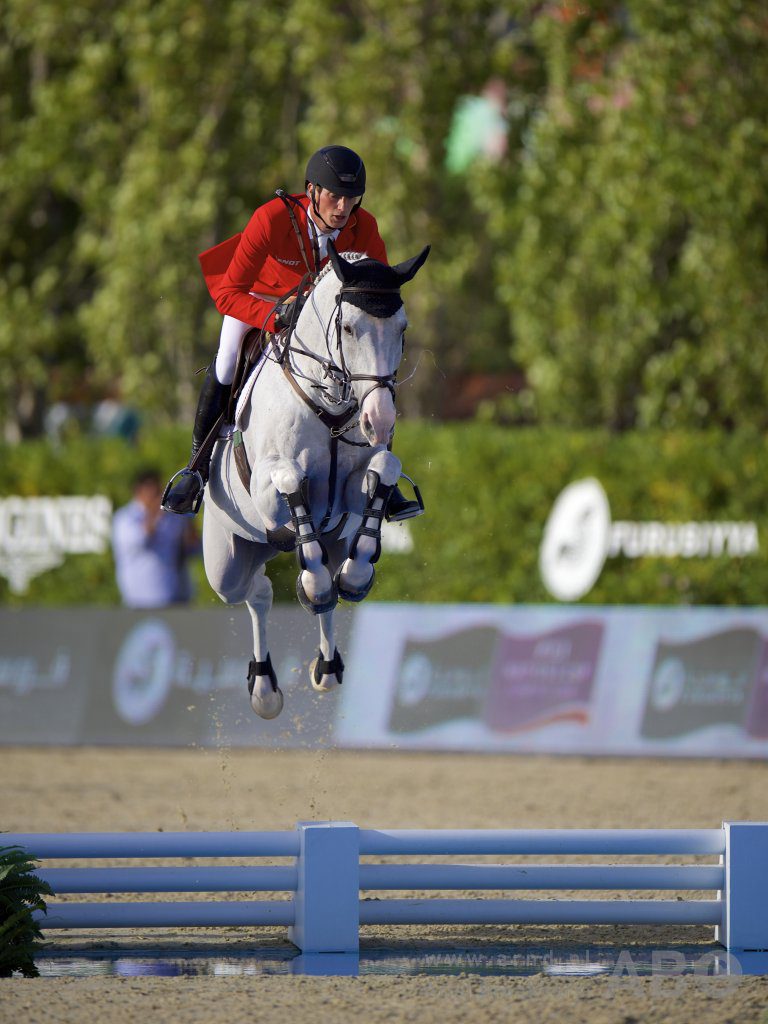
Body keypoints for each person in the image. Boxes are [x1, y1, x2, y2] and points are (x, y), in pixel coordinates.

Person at [162, 144, 423, 521]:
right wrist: (274, 316)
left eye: (352, 199)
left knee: (372, 376)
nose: (343, 209)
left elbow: (374, 293)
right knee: (228, 359)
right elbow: (228, 292)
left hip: (321, 321)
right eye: (335, 197)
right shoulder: (271, 219)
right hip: (261, 300)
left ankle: (383, 474)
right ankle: (196, 469)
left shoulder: (363, 226)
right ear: (312, 190)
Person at [113, 469, 200, 608]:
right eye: (153, 490)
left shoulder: (171, 517)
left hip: (176, 602)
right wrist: (155, 510)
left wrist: (186, 514)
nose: (158, 495)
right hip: (138, 605)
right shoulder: (125, 519)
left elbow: (193, 548)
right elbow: (142, 538)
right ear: (138, 490)